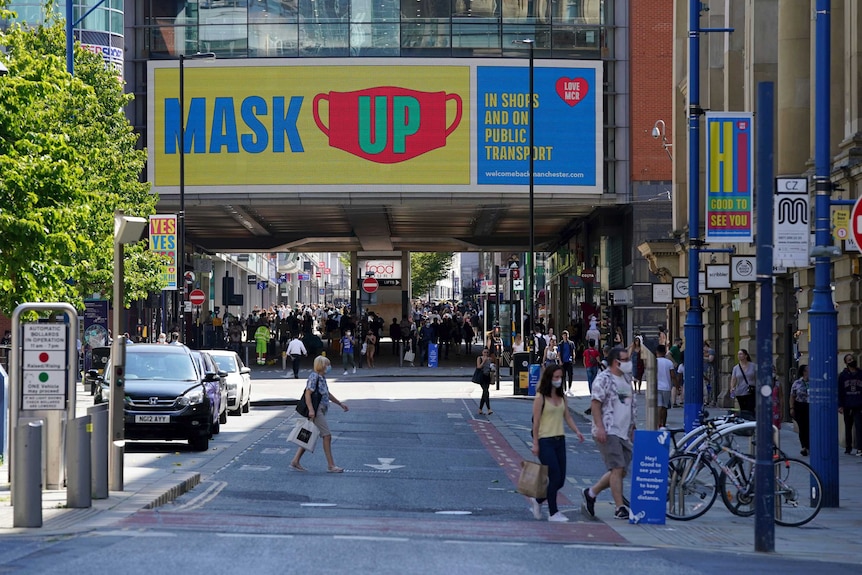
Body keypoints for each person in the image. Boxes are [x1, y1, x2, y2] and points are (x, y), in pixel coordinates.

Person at [582, 346, 637, 521]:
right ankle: (620, 507)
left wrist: (633, 427)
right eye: (626, 359)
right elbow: (596, 404)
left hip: (624, 432)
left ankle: (591, 493)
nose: (629, 363)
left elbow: (630, 405)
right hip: (608, 429)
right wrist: (599, 427)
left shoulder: (627, 379)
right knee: (617, 467)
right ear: (616, 362)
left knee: (619, 471)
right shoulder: (603, 379)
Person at [529, 364, 585, 522]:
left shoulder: (562, 397)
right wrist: (535, 443)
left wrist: (577, 431)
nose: (558, 380)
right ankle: (553, 513)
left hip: (560, 439)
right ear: (549, 378)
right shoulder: (540, 398)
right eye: (555, 377)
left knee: (560, 480)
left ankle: (538, 500)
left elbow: (567, 416)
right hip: (544, 440)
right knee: (554, 475)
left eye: (560, 377)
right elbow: (536, 422)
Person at [290, 355, 349, 473]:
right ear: (321, 366)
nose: (329, 367)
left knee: (308, 434)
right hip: (316, 410)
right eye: (327, 365)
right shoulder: (314, 376)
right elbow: (308, 394)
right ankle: (331, 465)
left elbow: (327, 393)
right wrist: (311, 410)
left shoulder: (322, 378)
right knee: (327, 436)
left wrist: (340, 404)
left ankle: (295, 461)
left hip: (320, 409)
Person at [838, 353, 862, 455]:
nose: (851, 361)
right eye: (849, 360)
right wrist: (840, 405)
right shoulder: (843, 376)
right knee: (848, 427)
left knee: (859, 426)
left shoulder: (860, 374)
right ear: (846, 363)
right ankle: (848, 447)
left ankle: (860, 447)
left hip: (858, 404)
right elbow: (840, 391)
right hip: (847, 404)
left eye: (852, 359)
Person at [790, 365, 810, 456]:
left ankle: (810, 445)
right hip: (800, 406)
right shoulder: (797, 383)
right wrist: (791, 407)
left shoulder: (813, 382)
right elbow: (792, 396)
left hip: (811, 406)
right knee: (802, 427)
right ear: (804, 372)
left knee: (810, 426)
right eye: (808, 369)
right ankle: (804, 446)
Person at [730, 349, 756, 416]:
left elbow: (757, 377)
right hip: (740, 392)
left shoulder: (753, 366)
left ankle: (751, 422)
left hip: (751, 391)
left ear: (746, 355)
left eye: (741, 354)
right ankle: (745, 422)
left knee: (750, 408)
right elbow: (733, 379)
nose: (739, 356)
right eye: (738, 354)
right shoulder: (736, 368)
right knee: (743, 409)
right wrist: (732, 388)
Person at [655, 344, 674, 428]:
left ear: (657, 352)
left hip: (657, 387)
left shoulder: (654, 361)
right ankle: (664, 423)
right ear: (665, 352)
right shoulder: (669, 362)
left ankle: (659, 423)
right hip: (666, 387)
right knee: (665, 407)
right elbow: (673, 375)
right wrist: (677, 385)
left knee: (659, 405)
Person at [582, 339, 600, 415]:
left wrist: (586, 366)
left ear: (589, 344)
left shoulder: (586, 351)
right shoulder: (596, 352)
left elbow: (584, 359)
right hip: (594, 366)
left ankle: (591, 391)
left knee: (589, 380)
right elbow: (598, 360)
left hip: (589, 367)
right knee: (595, 379)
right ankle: (594, 390)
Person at [476, 348, 495, 416]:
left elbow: (492, 367)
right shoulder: (479, 358)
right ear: (482, 352)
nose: (486, 354)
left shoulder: (489, 359)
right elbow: (478, 367)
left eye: (487, 352)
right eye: (484, 352)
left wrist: (492, 367)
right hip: (482, 377)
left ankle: (480, 409)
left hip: (487, 377)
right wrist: (483, 361)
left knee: (485, 393)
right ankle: (489, 409)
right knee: (486, 391)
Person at [558, 331, 576, 395]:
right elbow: (559, 353)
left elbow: (573, 351)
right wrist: (560, 361)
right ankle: (564, 389)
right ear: (562, 336)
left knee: (570, 375)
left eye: (567, 335)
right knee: (563, 376)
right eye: (564, 335)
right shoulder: (560, 344)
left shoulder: (571, 343)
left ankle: (569, 388)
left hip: (569, 361)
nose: (566, 336)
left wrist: (573, 358)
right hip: (563, 362)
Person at [703, 341, 716, 406]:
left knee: (710, 385)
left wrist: (701, 357)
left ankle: (711, 400)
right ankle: (706, 399)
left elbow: (710, 359)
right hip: (704, 370)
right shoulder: (704, 352)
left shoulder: (711, 351)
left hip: (709, 370)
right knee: (705, 385)